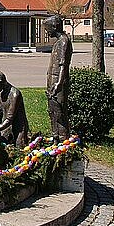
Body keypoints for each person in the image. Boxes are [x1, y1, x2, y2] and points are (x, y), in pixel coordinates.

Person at [45, 15, 72, 143]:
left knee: (59, 112)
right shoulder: (58, 42)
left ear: (55, 26)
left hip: (58, 81)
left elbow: (63, 65)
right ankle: (55, 137)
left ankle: (63, 140)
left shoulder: (63, 42)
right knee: (52, 111)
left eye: (48, 28)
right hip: (52, 80)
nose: (46, 31)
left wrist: (59, 83)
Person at [0, 70, 29, 147]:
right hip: (5, 126)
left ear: (1, 82)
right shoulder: (1, 94)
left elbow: (10, 118)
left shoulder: (15, 94)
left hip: (18, 128)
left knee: (19, 147)